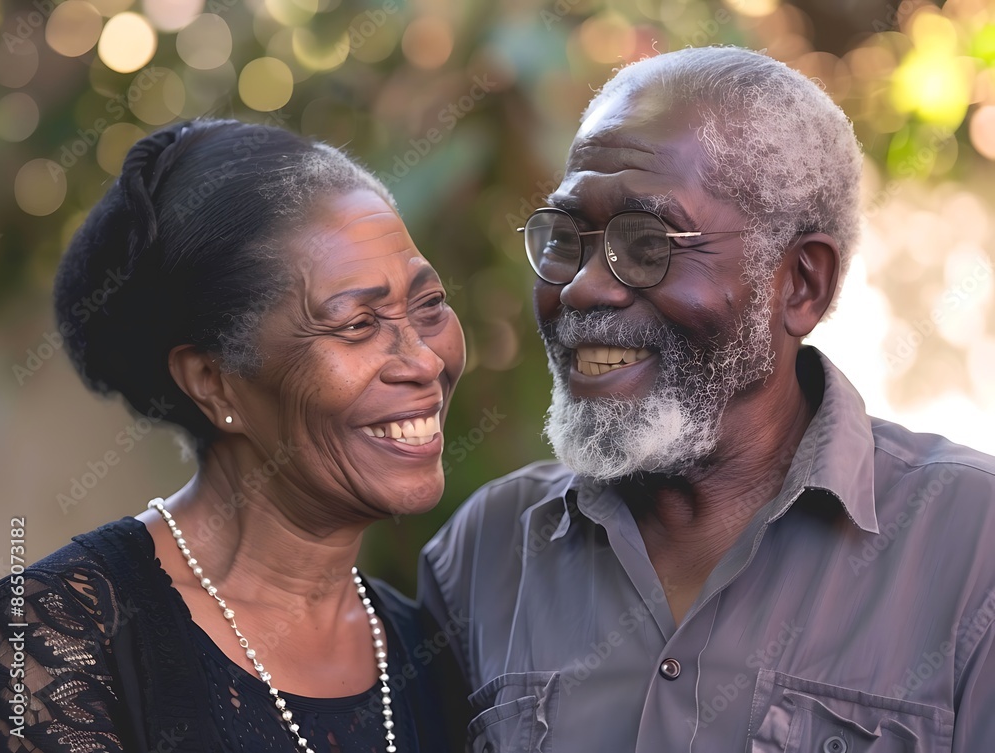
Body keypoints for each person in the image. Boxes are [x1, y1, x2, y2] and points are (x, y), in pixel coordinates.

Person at [419, 46, 995, 751]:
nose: (583, 287)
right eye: (566, 238)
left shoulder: (973, 550)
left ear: (801, 284)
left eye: (647, 243)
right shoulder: (486, 552)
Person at [0, 119, 467, 753]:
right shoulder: (57, 639)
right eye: (357, 323)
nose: (425, 362)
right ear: (213, 381)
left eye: (429, 303)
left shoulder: (434, 653)